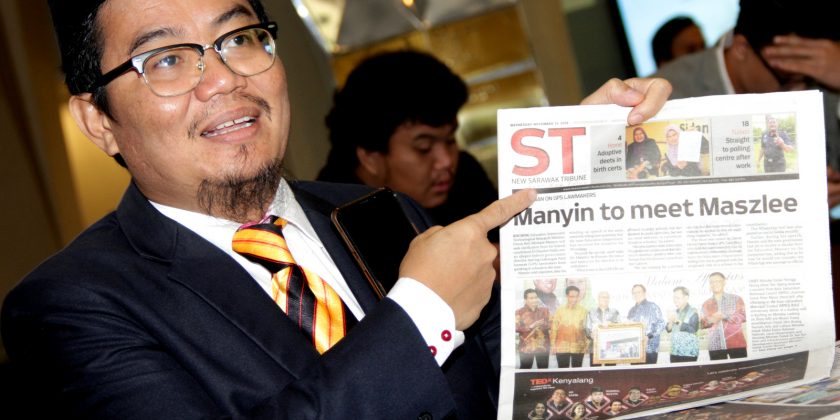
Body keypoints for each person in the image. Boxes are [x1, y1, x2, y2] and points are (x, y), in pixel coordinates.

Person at [0, 0, 671, 417]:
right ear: (99, 121)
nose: (224, 79)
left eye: (239, 39)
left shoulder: (381, 212)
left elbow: (522, 380)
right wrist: (420, 314)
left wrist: (571, 175)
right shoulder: (71, 306)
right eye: (168, 59)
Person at [653, 0, 840, 205]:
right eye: (787, 77)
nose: (800, 90)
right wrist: (785, 204)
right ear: (741, 48)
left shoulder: (825, 72)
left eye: (807, 79)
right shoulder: (667, 98)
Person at [317, 50, 500, 241]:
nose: (446, 161)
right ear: (370, 157)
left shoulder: (465, 174)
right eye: (424, 148)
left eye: (450, 139)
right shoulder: (331, 220)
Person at [700, 272, 748, 360]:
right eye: (712, 282)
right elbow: (701, 325)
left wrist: (724, 316)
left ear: (724, 282)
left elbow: (743, 316)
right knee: (718, 368)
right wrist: (710, 321)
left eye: (717, 281)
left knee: (742, 368)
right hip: (715, 346)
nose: (714, 284)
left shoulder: (736, 298)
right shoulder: (705, 304)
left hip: (736, 344)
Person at [550, 285, 588, 368]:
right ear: (567, 296)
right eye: (572, 296)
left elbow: (586, 330)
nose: (574, 299)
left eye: (576, 296)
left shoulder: (583, 311)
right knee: (563, 371)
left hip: (578, 346)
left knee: (577, 371)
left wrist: (586, 345)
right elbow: (554, 328)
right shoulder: (559, 311)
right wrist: (553, 345)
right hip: (561, 347)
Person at [627, 284, 665, 364]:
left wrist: (649, 336)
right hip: (635, 351)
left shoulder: (653, 306)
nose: (636, 294)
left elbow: (661, 324)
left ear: (644, 293)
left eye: (638, 292)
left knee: (649, 372)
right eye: (634, 293)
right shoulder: (631, 311)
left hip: (650, 350)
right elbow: (628, 329)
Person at [516, 288, 551, 369]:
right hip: (526, 347)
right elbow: (516, 328)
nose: (534, 300)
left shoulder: (545, 311)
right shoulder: (519, 312)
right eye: (531, 298)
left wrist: (542, 324)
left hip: (543, 347)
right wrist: (531, 326)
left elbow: (552, 324)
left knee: (543, 370)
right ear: (525, 300)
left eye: (536, 297)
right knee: (525, 369)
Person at [585, 291, 621, 366]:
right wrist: (591, 334)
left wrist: (612, 325)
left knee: (611, 371)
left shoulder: (615, 312)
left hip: (611, 348)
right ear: (598, 299)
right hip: (595, 347)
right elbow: (587, 329)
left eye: (607, 297)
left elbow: (620, 328)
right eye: (603, 297)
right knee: (595, 371)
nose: (605, 299)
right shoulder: (591, 312)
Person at [666, 286, 700, 363]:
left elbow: (693, 330)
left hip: (689, 353)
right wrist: (671, 321)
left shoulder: (693, 312)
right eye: (674, 298)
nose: (675, 300)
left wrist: (678, 321)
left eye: (677, 298)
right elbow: (668, 329)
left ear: (686, 298)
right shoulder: (675, 311)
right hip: (674, 352)